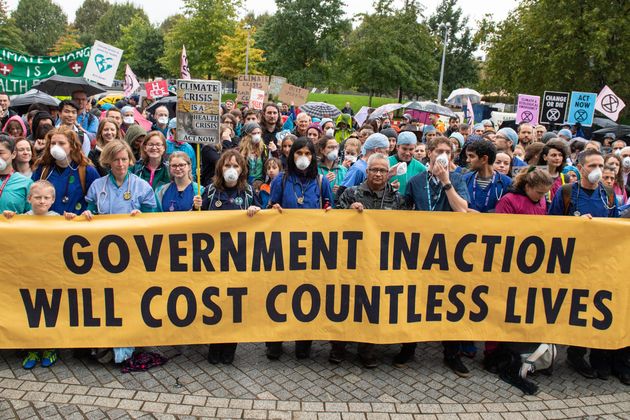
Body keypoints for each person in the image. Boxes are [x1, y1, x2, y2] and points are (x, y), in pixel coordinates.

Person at [548, 149, 624, 383]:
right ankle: (571, 351)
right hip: (572, 261)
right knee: (573, 306)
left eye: (600, 165)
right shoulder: (567, 192)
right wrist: (576, 226)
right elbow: (551, 225)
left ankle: (585, 352)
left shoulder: (609, 195)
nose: (597, 171)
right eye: (591, 166)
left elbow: (615, 227)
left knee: (592, 308)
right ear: (580, 168)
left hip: (600, 262)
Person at [78, 140, 156, 364]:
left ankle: (134, 341)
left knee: (132, 297)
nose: (120, 164)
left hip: (134, 253)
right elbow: (90, 210)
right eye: (116, 160)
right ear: (108, 161)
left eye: (124, 159)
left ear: (130, 160)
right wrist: (88, 214)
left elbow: (156, 218)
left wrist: (142, 217)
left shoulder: (142, 186)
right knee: (108, 298)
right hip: (105, 254)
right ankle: (108, 343)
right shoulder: (98, 186)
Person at [397, 136, 470, 376]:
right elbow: (404, 211)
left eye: (448, 152)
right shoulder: (416, 180)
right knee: (415, 299)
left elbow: (461, 210)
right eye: (439, 150)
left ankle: (452, 353)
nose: (443, 155)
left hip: (451, 250)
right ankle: (409, 347)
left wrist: (446, 182)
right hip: (420, 249)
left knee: (451, 300)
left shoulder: (458, 178)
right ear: (428, 153)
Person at [331, 153, 408, 368]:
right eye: (374, 169)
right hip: (351, 261)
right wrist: (349, 212)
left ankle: (367, 350)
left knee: (373, 307)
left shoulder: (397, 199)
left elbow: (405, 229)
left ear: (388, 172)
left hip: (380, 264)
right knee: (344, 304)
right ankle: (338, 347)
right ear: (367, 171)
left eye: (382, 170)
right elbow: (333, 222)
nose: (378, 174)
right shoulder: (351, 194)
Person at [266, 137, 334, 361]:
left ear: (313, 156)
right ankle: (274, 342)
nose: (302, 158)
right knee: (279, 296)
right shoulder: (281, 181)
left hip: (311, 250)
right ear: (291, 155)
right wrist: (273, 208)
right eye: (298, 153)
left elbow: (330, 209)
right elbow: (270, 209)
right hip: (283, 249)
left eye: (307, 153)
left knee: (306, 298)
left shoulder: (322, 180)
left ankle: (303, 342)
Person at [3, 180, 75, 369]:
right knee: (30, 313)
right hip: (27, 276)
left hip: (51, 275)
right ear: (29, 199)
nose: (42, 201)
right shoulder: (21, 219)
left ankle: (50, 347)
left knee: (51, 312)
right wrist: (9, 218)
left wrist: (71, 220)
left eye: (46, 198)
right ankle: (32, 348)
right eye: (37, 197)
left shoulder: (58, 218)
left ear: (53, 200)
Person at [200, 149, 261, 364]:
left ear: (242, 169)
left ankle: (230, 349)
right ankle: (214, 346)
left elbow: (263, 224)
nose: (231, 170)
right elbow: (193, 225)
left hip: (238, 260)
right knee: (215, 303)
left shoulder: (249, 194)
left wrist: (256, 211)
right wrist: (196, 209)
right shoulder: (208, 192)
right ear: (220, 168)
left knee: (233, 305)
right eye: (227, 166)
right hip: (213, 259)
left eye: (236, 166)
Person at [32, 128, 99, 214]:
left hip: (75, 224)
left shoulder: (86, 170)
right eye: (53, 143)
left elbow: (97, 199)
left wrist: (89, 212)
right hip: (48, 224)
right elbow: (31, 195)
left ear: (72, 146)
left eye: (61, 143)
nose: (56, 147)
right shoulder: (43, 169)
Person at [463, 140, 512, 213]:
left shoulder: (507, 182)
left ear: (484, 159)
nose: (467, 160)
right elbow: (458, 207)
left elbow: (509, 209)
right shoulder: (465, 179)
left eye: (471, 156)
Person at [337, 133, 389, 198]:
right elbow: (342, 194)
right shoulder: (358, 169)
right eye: (386, 152)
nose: (387, 156)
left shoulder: (364, 166)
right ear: (377, 151)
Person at [0, 135, 32, 214]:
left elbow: (33, 213)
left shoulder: (26, 183)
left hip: (11, 226)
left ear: (13, 154)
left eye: (0, 153)